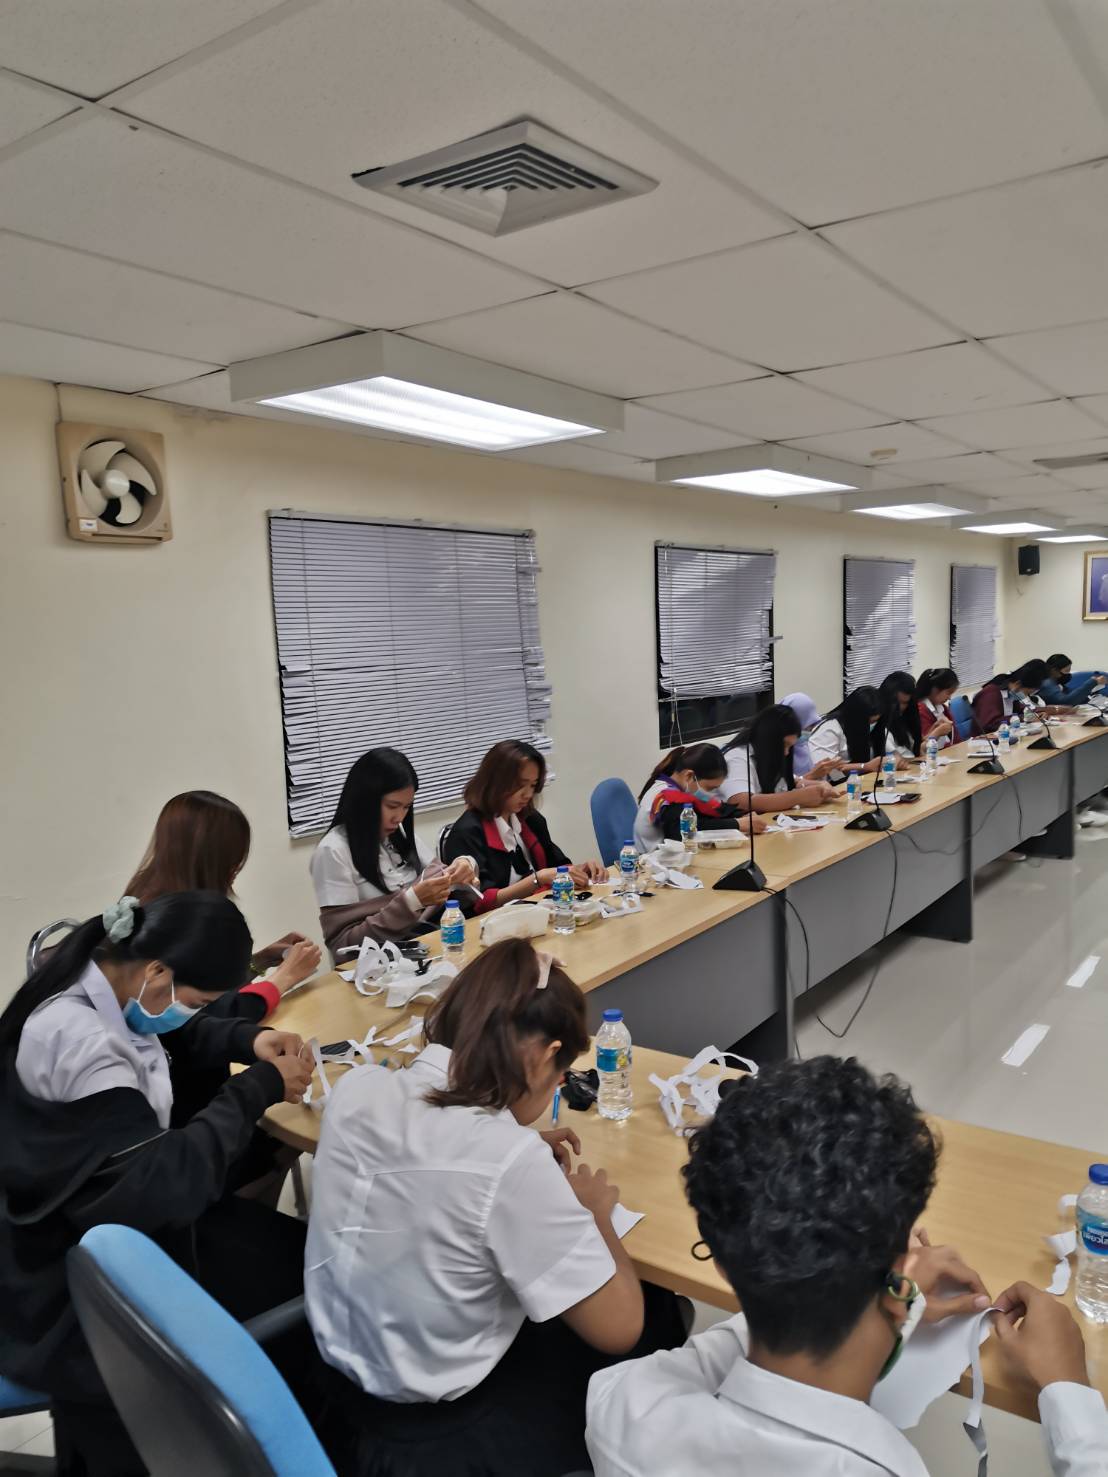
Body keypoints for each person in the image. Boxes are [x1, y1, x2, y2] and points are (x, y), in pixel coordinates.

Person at [588, 1056, 1107, 1476]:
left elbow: (706, 1356)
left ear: (722, 1264)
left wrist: (886, 1289)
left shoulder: (620, 1409)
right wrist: (1069, 1388)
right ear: (898, 1276)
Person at [306, 939, 686, 1477]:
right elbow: (619, 1329)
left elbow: (432, 1151)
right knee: (655, 1314)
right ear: (543, 1056)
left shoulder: (358, 1088)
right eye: (561, 1074)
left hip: (336, 1400)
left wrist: (515, 1138)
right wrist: (595, 1214)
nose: (558, 1086)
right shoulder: (507, 1160)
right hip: (440, 1443)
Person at [0, 892, 313, 1477]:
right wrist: (258, 1087)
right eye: (198, 1000)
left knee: (279, 1254)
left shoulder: (100, 975)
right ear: (158, 972)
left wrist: (247, 1041)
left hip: (93, 1222)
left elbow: (173, 1033)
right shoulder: (84, 1045)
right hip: (66, 1285)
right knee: (304, 1281)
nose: (191, 1013)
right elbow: (166, 1184)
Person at [310, 748, 478, 961]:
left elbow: (444, 885)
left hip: (427, 950)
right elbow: (344, 947)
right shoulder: (333, 850)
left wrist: (464, 868)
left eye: (406, 807)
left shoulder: (400, 834)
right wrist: (412, 902)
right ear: (364, 801)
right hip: (377, 968)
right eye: (392, 806)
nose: (399, 817)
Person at [441, 741, 606, 911]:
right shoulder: (467, 832)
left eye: (533, 785)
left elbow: (557, 866)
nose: (528, 794)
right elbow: (480, 902)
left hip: (542, 911)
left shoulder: (531, 819)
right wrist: (538, 879)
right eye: (520, 785)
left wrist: (581, 870)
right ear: (495, 782)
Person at [633, 742, 767, 852]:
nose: (708, 793)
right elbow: (685, 831)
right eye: (709, 788)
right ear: (689, 776)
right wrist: (737, 824)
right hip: (655, 863)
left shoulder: (685, 788)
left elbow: (714, 808)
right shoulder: (667, 796)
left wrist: (742, 816)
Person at [719, 705, 840, 813]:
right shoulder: (737, 757)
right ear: (768, 738)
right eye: (784, 745)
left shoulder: (768, 754)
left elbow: (791, 782)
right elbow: (741, 802)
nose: (786, 752)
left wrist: (820, 786)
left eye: (790, 747)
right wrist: (798, 797)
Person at [806, 687, 909, 779]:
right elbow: (826, 769)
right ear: (856, 717)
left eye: (875, 721)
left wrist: (896, 760)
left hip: (865, 782)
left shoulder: (876, 728)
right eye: (869, 722)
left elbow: (892, 753)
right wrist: (865, 766)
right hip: (837, 786)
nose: (872, 725)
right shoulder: (830, 729)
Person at [971, 659, 1051, 735]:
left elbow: (1021, 710)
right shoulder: (991, 693)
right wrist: (1024, 718)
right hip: (986, 740)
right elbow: (991, 723)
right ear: (1018, 684)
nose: (1026, 696)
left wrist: (1036, 714)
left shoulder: (1010, 692)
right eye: (1027, 693)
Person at [877, 671, 922, 759]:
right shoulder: (879, 723)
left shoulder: (907, 716)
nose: (900, 707)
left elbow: (913, 749)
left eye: (905, 703)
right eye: (897, 702)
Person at [916, 668, 959, 750]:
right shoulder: (920, 711)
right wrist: (939, 731)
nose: (949, 698)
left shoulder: (943, 708)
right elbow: (924, 747)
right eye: (948, 693)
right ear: (935, 690)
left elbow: (956, 738)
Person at [781, 691, 822, 777]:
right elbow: (784, 784)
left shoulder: (804, 746)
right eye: (807, 725)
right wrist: (812, 776)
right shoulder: (775, 750)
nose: (810, 730)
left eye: (812, 725)